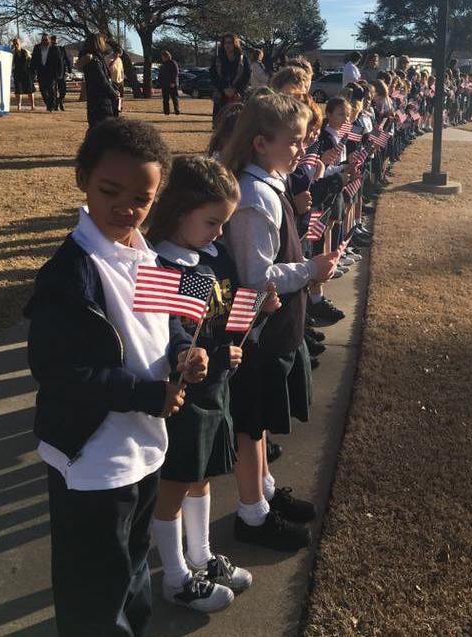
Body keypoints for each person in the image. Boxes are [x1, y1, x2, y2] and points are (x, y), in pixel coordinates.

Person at [23, 118, 209, 636]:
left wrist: (181, 358)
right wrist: (148, 394)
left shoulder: (145, 253)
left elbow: (166, 325)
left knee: (131, 573)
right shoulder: (70, 272)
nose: (126, 208)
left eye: (142, 199)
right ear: (83, 178)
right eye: (110, 191)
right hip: (91, 458)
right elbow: (61, 372)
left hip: (144, 448)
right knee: (94, 593)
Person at [146, 155, 281, 611]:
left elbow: (224, 315)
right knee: (175, 483)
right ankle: (175, 576)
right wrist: (190, 354)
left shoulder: (211, 256)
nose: (220, 233)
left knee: (202, 476)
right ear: (179, 211)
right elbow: (170, 331)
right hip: (183, 397)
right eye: (212, 222)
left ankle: (201, 556)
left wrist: (256, 312)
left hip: (215, 389)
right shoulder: (163, 266)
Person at [221, 94, 339, 550]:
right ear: (259, 143)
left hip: (277, 328)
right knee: (251, 426)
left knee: (263, 419)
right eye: (292, 142)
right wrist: (311, 271)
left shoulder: (270, 183)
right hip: (258, 333)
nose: (301, 149)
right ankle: (251, 515)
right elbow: (256, 276)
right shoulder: (253, 198)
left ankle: (266, 492)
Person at [77, 32, 120, 128]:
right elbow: (102, 81)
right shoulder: (94, 61)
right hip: (101, 102)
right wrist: (114, 94)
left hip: (95, 101)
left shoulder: (98, 59)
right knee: (102, 129)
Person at [210, 33, 251, 117]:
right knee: (220, 124)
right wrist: (224, 89)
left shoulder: (243, 59)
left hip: (238, 96)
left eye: (230, 42)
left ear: (235, 43)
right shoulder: (218, 59)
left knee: (237, 124)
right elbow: (213, 76)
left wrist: (236, 90)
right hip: (221, 97)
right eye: (225, 43)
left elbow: (247, 76)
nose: (227, 45)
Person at [31, 32, 62, 111]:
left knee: (51, 89)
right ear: (41, 40)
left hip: (51, 72)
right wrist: (33, 71)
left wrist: (59, 73)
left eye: (46, 40)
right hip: (41, 72)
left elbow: (59, 61)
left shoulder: (55, 48)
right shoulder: (37, 47)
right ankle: (48, 103)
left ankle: (51, 106)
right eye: (43, 40)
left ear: (49, 40)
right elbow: (33, 60)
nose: (45, 41)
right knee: (42, 89)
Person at [11, 38, 35, 111]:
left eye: (17, 43)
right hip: (17, 74)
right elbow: (11, 64)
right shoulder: (12, 54)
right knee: (18, 91)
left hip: (27, 74)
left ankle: (32, 106)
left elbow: (32, 61)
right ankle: (19, 106)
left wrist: (33, 73)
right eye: (14, 44)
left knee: (30, 91)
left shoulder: (26, 52)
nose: (15, 45)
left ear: (20, 44)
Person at [50, 35, 72, 110]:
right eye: (53, 39)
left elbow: (66, 59)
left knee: (63, 90)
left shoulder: (61, 49)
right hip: (52, 73)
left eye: (56, 39)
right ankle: (56, 105)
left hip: (61, 72)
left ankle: (60, 101)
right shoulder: (49, 49)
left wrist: (70, 70)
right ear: (51, 40)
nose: (55, 41)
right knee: (54, 90)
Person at [159, 50, 180, 116]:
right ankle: (166, 112)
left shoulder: (173, 63)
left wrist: (173, 82)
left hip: (172, 84)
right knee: (165, 99)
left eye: (163, 56)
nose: (162, 58)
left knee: (174, 98)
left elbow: (176, 73)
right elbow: (161, 74)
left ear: (167, 56)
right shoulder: (163, 65)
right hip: (164, 84)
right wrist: (160, 82)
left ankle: (177, 111)